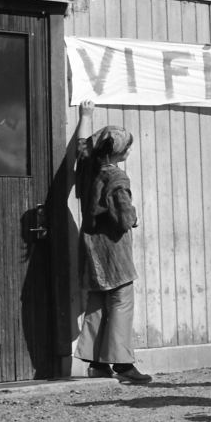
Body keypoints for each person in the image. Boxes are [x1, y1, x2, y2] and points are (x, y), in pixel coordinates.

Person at [73, 100, 152, 383]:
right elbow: (123, 218)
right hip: (114, 254)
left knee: (96, 303)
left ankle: (96, 365)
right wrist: (134, 218)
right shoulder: (117, 177)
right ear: (120, 151)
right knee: (121, 303)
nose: (129, 150)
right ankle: (122, 365)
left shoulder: (87, 168)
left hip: (90, 249)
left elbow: (82, 144)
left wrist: (86, 115)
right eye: (127, 146)